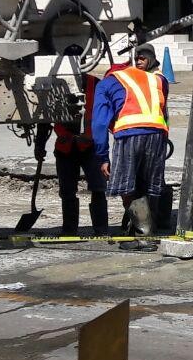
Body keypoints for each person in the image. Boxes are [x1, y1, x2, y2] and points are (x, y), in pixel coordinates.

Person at [92, 44, 170, 238]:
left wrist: (102, 156)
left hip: (130, 135)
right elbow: (163, 110)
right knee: (150, 184)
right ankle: (148, 228)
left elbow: (100, 124)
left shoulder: (107, 83)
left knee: (126, 187)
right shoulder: (158, 79)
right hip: (157, 135)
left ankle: (144, 236)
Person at [53, 71, 112, 237]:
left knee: (99, 188)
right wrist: (39, 144)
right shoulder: (55, 85)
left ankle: (101, 230)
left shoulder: (97, 84)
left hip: (91, 146)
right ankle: (69, 230)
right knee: (67, 191)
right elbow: (46, 116)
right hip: (66, 147)